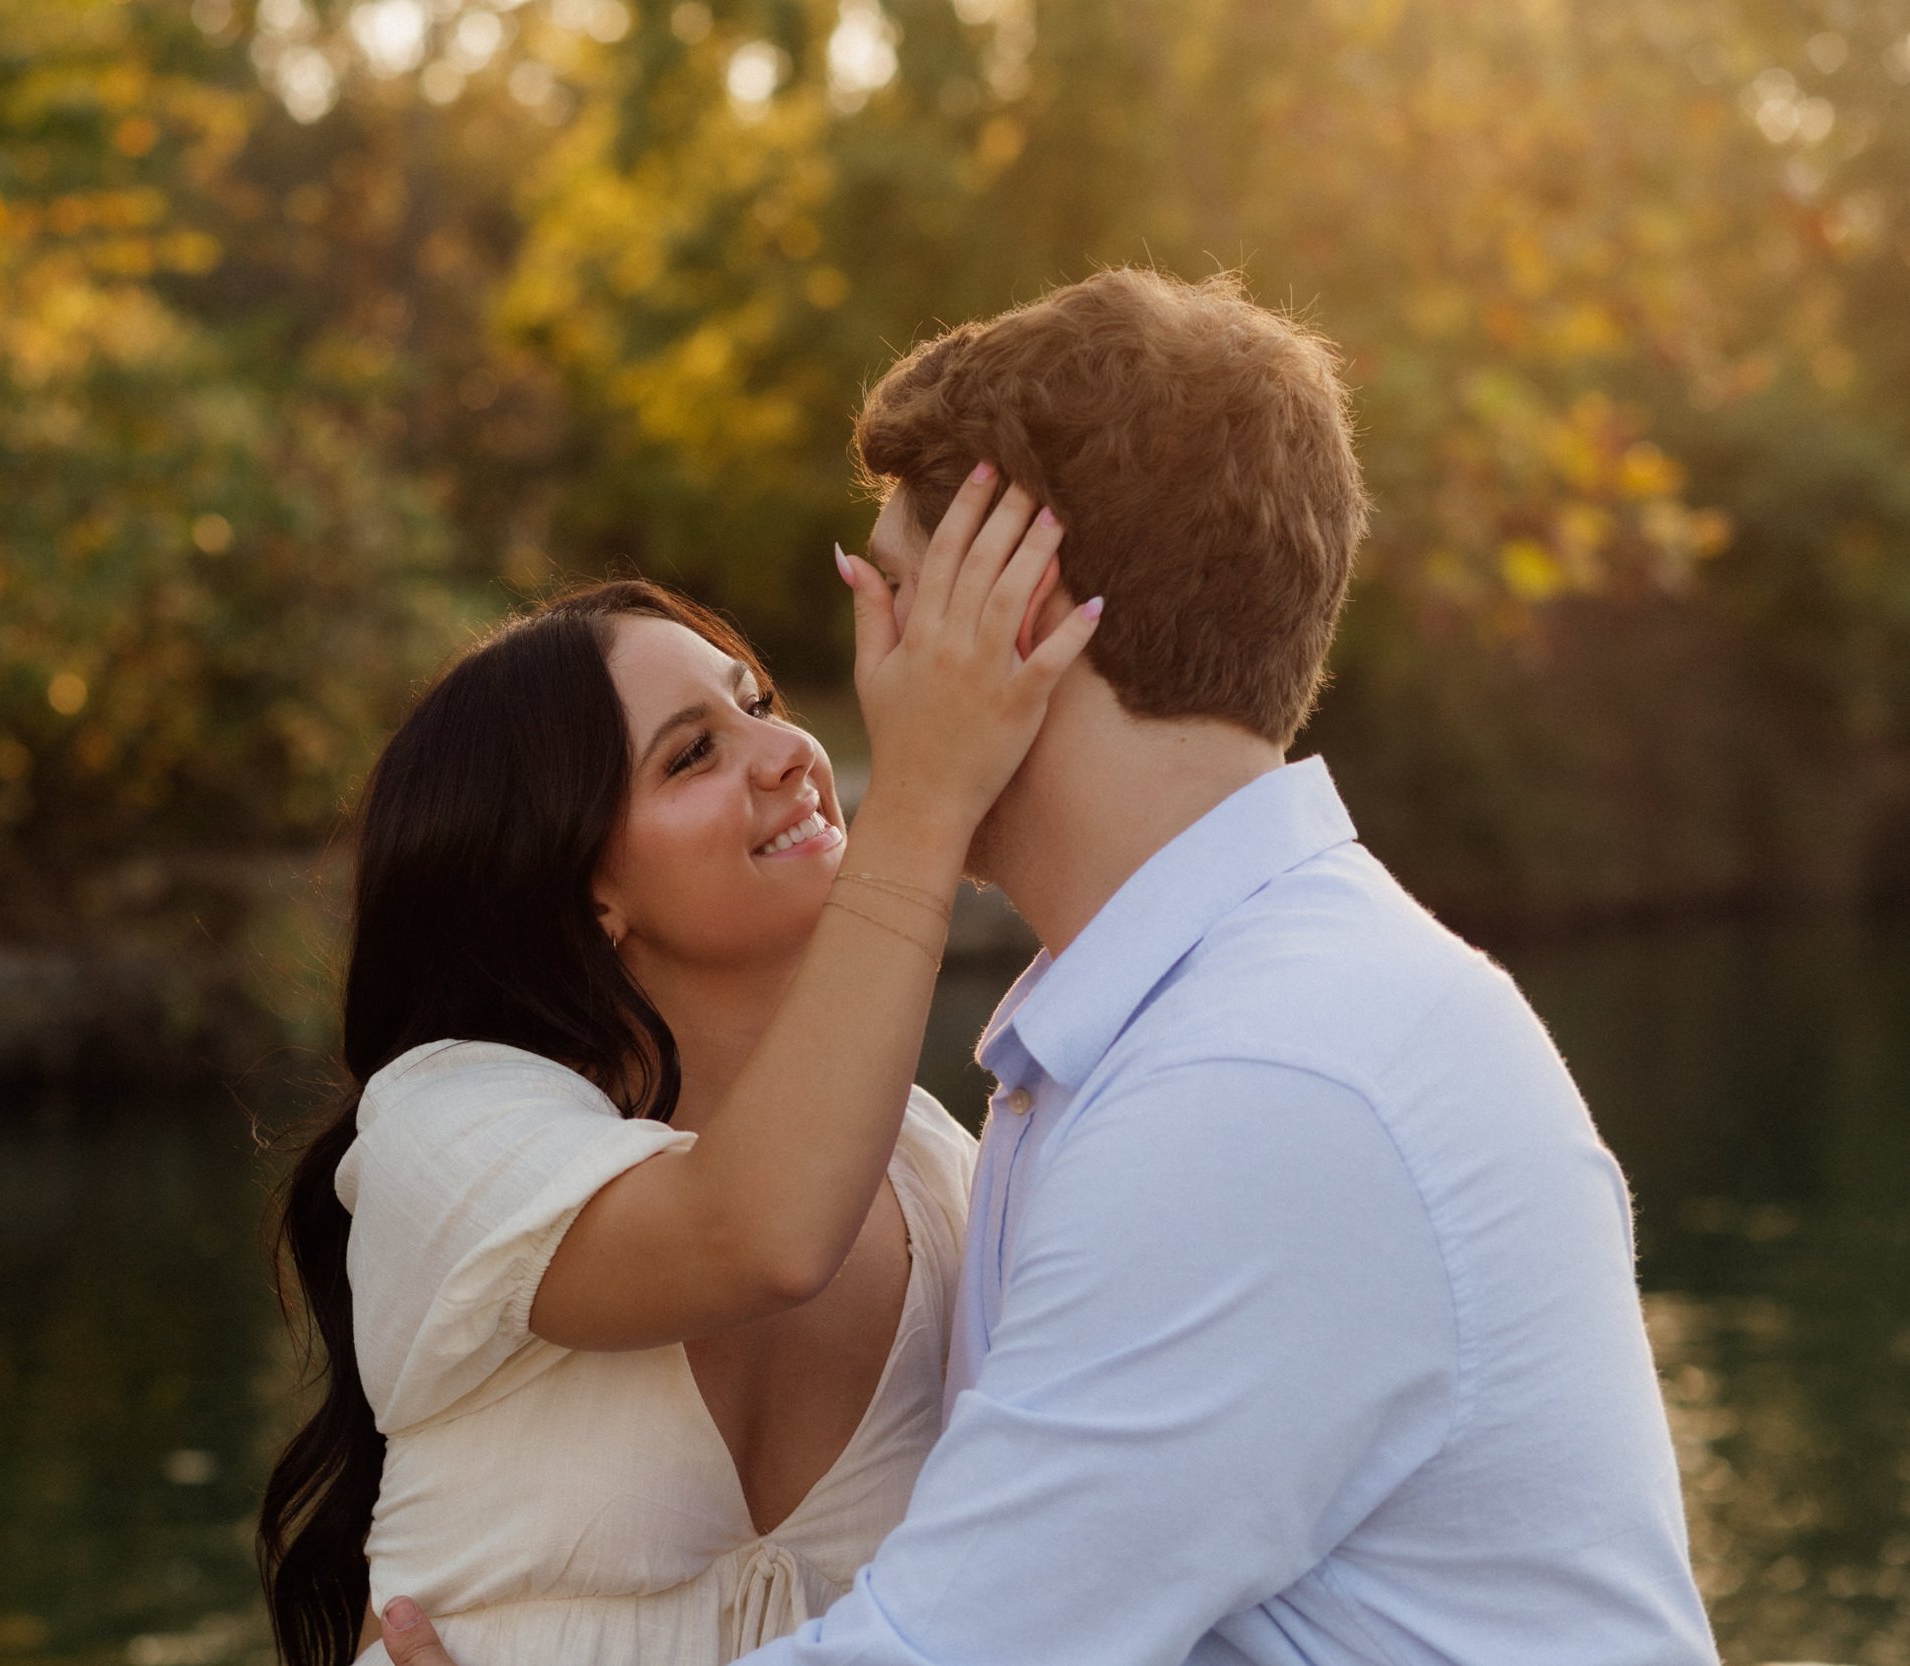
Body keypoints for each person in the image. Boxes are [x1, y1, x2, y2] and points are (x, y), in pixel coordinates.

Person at [374, 269, 1719, 1665]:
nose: (861, 676)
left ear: (1007, 624)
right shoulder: (1143, 1049)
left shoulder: (1263, 1078)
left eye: (897, 600)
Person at [255, 482, 1102, 1665]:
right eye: (693, 753)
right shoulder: (445, 1125)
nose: (790, 756)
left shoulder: (934, 1171)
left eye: (757, 702)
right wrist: (925, 789)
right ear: (582, 887)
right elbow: (755, 1235)